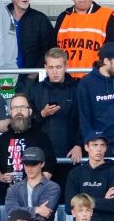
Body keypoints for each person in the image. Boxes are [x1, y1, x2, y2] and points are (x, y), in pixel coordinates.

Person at [27, 47, 81, 183]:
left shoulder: (78, 88)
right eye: (51, 67)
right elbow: (27, 125)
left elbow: (85, 119)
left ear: (66, 66)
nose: (55, 71)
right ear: (45, 67)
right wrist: (42, 114)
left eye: (58, 67)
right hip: (43, 157)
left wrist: (79, 145)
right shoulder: (35, 90)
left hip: (72, 155)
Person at [0, 93, 57, 200]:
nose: (19, 111)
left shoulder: (42, 137)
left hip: (35, 196)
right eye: (15, 108)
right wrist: (2, 178)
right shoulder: (1, 139)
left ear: (30, 111)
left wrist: (35, 187)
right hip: (7, 196)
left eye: (23, 108)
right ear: (10, 112)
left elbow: (49, 167)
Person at [54, 0, 114, 74]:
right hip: (67, 79)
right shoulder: (63, 17)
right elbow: (54, 50)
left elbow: (113, 51)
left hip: (95, 77)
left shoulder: (107, 16)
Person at [64, 133, 114, 221]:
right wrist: (103, 200)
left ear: (106, 148)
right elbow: (69, 207)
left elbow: (112, 205)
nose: (98, 149)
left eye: (102, 145)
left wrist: (81, 201)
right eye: (95, 145)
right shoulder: (75, 173)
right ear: (86, 147)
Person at [7, 0, 54, 73]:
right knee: (6, 88)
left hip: (31, 77)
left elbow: (50, 50)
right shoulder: (2, 17)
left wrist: (33, 75)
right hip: (6, 75)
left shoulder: (40, 19)